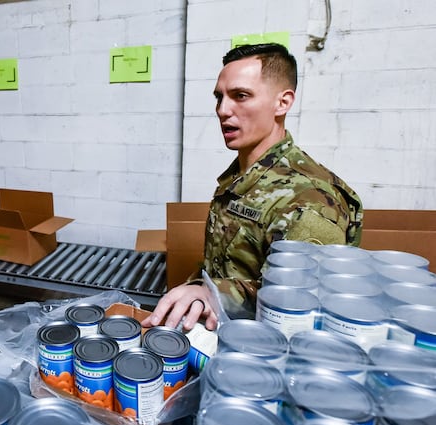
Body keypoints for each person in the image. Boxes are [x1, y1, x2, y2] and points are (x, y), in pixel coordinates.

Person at [143, 43, 362, 332]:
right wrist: (200, 287)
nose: (223, 110)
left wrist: (215, 294)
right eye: (219, 97)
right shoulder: (242, 177)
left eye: (241, 96)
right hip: (224, 336)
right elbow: (225, 267)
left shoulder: (310, 202)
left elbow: (303, 307)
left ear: (282, 103)